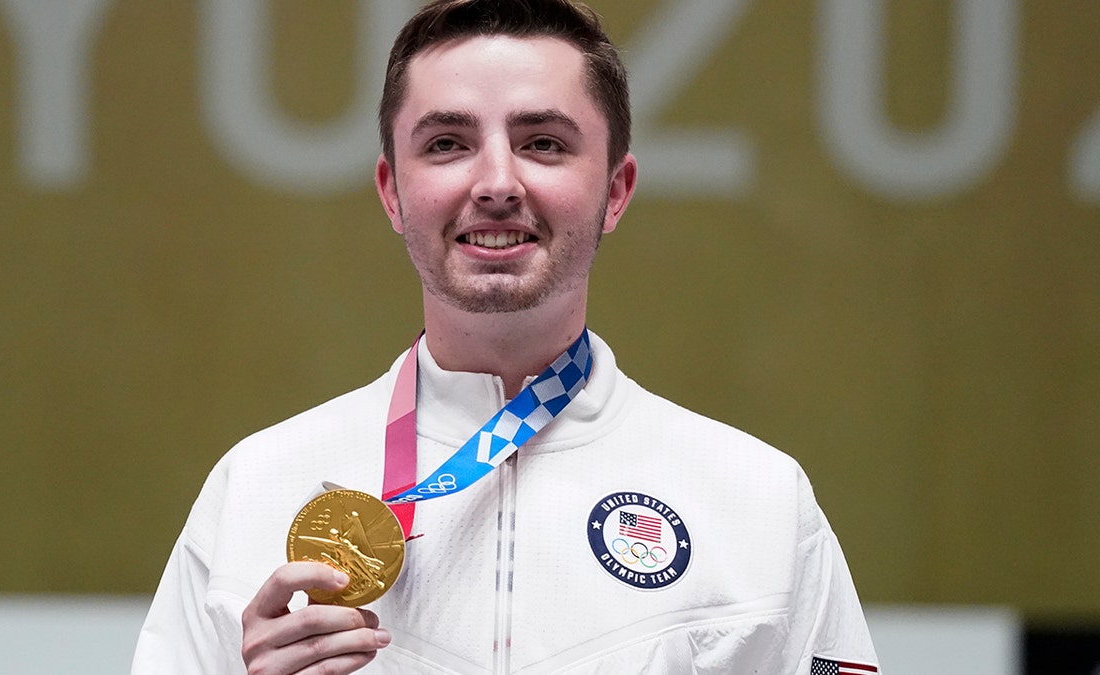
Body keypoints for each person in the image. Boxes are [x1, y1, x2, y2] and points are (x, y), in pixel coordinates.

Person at [132, 0, 879, 673]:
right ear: (393, 191)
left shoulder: (759, 503)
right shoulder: (257, 489)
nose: (496, 181)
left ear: (615, 190)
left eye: (544, 143)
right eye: (449, 143)